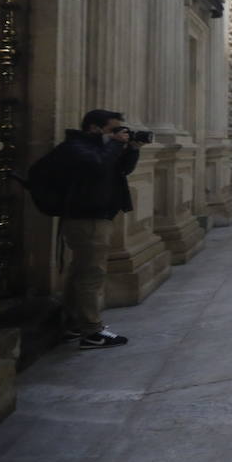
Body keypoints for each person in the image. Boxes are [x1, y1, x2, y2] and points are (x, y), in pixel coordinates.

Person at [46, 109, 141, 349]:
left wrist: (132, 149)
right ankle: (92, 331)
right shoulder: (76, 148)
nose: (119, 134)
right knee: (91, 274)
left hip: (96, 217)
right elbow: (98, 166)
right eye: (113, 130)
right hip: (86, 219)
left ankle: (73, 324)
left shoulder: (99, 148)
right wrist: (116, 145)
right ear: (94, 128)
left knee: (80, 272)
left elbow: (121, 171)